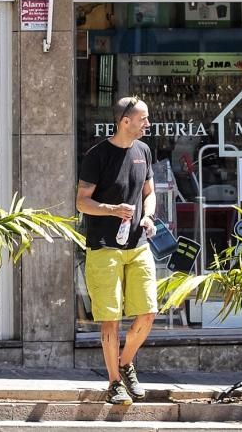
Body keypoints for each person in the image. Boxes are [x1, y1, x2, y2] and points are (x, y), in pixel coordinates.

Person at [75, 96, 158, 405]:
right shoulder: (97, 155)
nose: (147, 123)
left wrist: (148, 216)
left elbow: (149, 193)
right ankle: (114, 383)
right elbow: (81, 202)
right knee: (110, 320)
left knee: (148, 313)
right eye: (143, 118)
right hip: (104, 248)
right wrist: (112, 209)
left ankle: (124, 363)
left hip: (138, 245)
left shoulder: (144, 151)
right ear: (125, 121)